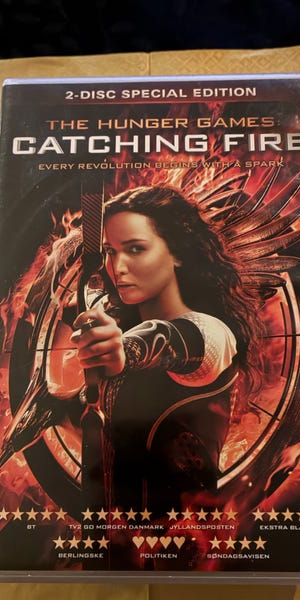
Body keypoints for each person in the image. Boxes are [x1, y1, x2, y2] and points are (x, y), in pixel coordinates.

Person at [71, 185, 261, 515]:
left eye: (135, 249)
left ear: (178, 252)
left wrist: (125, 351)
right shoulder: (117, 330)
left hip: (183, 536)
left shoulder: (212, 332)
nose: (118, 267)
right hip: (115, 536)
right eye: (110, 252)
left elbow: (169, 339)